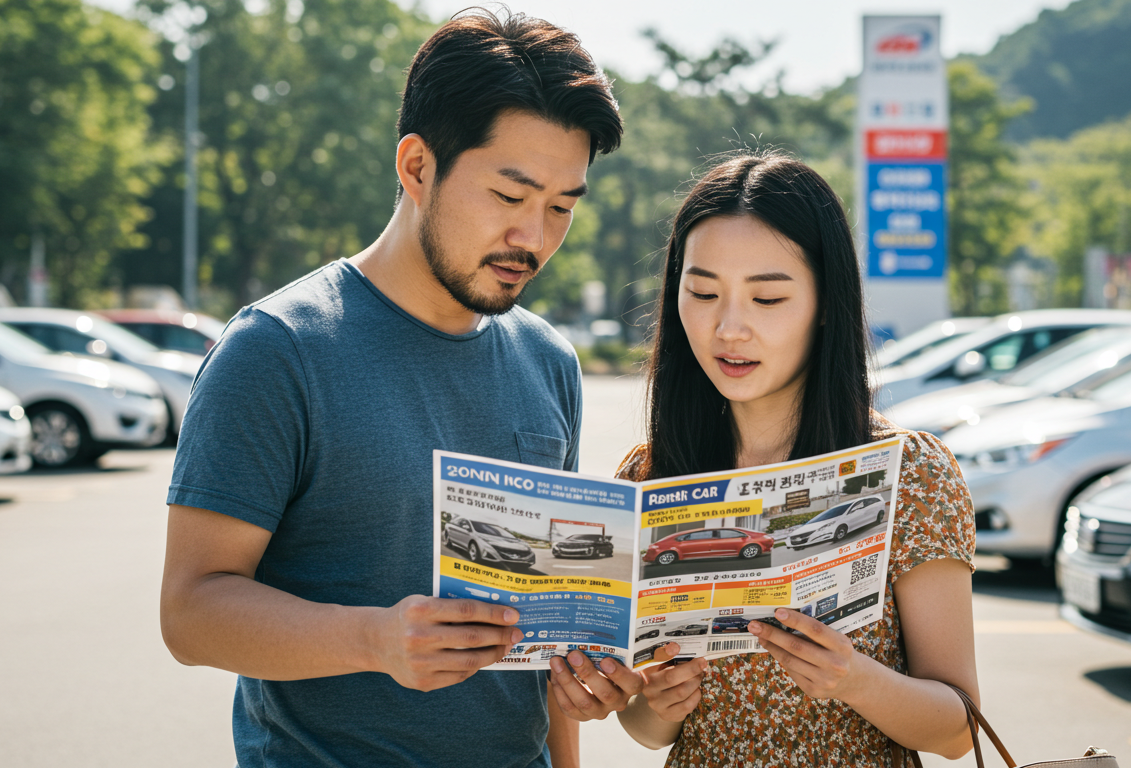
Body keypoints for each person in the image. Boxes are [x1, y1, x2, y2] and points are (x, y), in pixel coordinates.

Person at [157, 9, 622, 768]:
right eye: (511, 197)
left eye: (562, 207)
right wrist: (375, 639)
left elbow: (543, 629)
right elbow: (191, 611)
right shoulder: (277, 350)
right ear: (416, 167)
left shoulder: (548, 360)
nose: (535, 238)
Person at [545, 153, 980, 767]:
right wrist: (655, 703)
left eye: (768, 299)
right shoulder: (651, 477)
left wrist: (853, 679)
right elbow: (648, 732)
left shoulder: (910, 473)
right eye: (701, 292)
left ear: (826, 303)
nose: (729, 328)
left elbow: (959, 728)